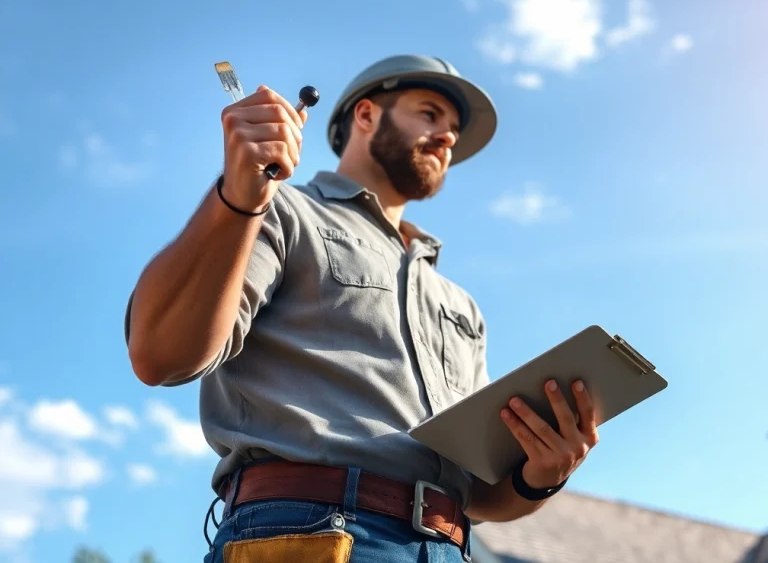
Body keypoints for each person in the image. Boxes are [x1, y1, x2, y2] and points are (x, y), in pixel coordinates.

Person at [123, 55, 601, 563]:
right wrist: (239, 199)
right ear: (367, 115)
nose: (448, 137)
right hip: (309, 533)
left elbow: (478, 495)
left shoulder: (460, 305)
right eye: (430, 114)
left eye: (454, 129)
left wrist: (537, 478)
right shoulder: (280, 209)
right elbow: (161, 355)